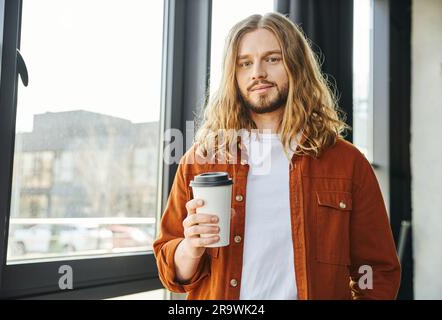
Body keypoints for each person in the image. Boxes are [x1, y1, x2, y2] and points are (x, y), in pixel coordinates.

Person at [153, 12, 401, 300]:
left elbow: (377, 271)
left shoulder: (347, 162)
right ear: (234, 76)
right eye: (245, 63)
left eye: (272, 59)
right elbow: (169, 271)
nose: (257, 72)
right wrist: (190, 247)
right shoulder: (202, 159)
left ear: (296, 66)